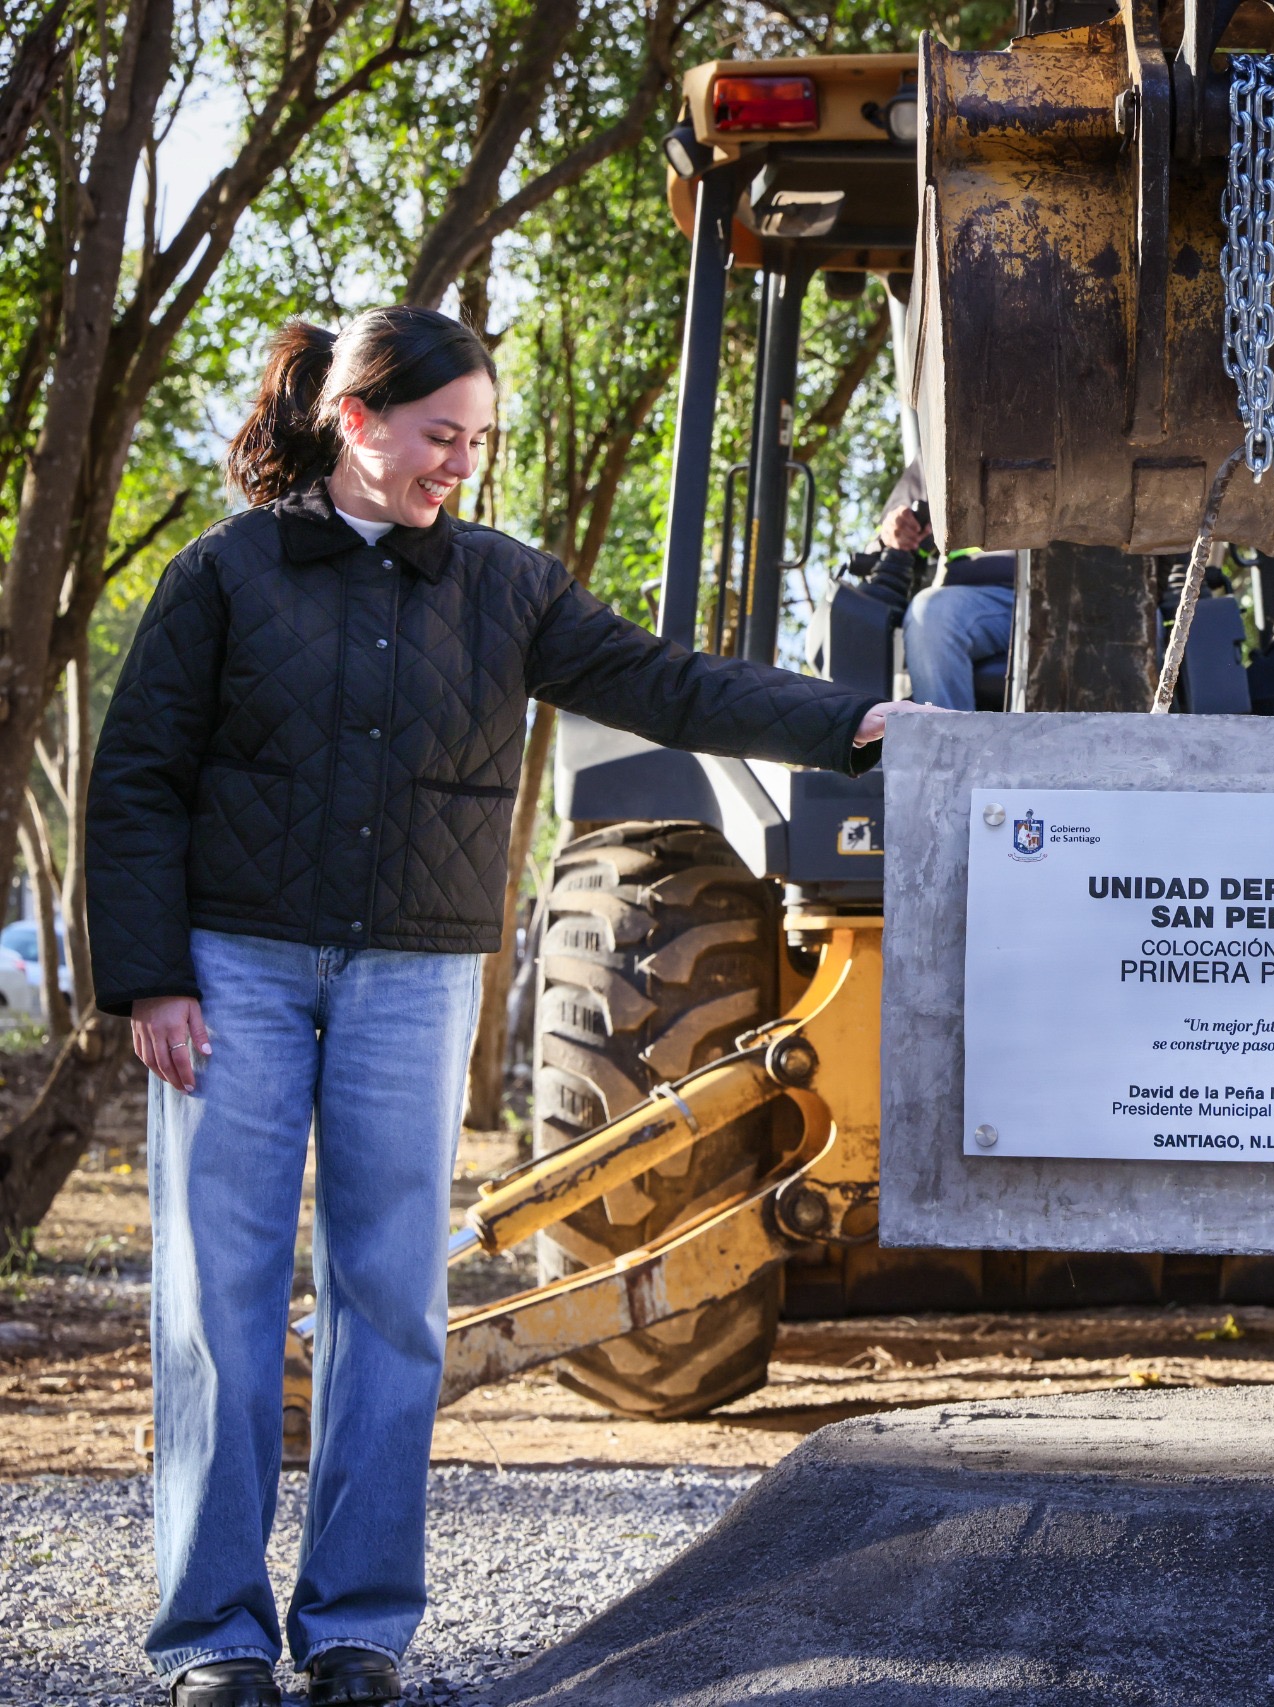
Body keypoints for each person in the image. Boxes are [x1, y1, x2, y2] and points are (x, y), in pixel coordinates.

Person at [87, 307, 933, 1707]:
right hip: (231, 969)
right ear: (353, 419)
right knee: (218, 1303)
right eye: (437, 438)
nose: (457, 468)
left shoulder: (506, 586)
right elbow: (137, 784)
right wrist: (152, 978)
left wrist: (838, 721)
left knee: (392, 1299)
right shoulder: (223, 576)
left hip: (414, 975)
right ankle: (215, 1638)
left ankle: (357, 1627)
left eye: (476, 443)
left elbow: (669, 682)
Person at [872, 461, 1015, 709]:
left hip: (1081, 585)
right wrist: (895, 531)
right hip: (990, 601)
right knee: (931, 615)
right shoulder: (944, 437)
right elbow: (888, 532)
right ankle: (951, 745)